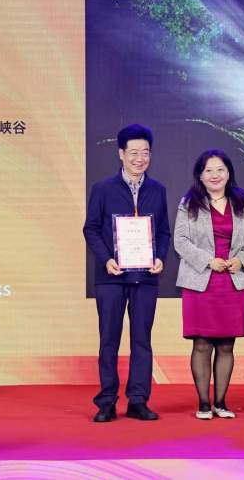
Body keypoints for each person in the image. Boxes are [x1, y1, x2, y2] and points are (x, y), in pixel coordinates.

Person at [83, 124, 171, 422]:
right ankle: (107, 401)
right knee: (109, 339)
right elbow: (91, 229)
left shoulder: (158, 190)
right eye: (133, 152)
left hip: (145, 277)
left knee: (142, 340)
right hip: (111, 276)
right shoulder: (103, 189)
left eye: (145, 152)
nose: (139, 158)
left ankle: (138, 400)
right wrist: (106, 258)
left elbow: (163, 231)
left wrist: (160, 258)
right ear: (121, 153)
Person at [174, 150, 244, 420]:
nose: (215, 175)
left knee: (226, 345)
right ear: (200, 175)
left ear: (228, 172)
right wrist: (208, 261)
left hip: (233, 281)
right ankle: (203, 403)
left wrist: (241, 260)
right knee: (201, 343)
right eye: (208, 170)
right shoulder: (189, 203)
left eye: (220, 169)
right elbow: (180, 241)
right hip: (201, 281)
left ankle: (221, 403)